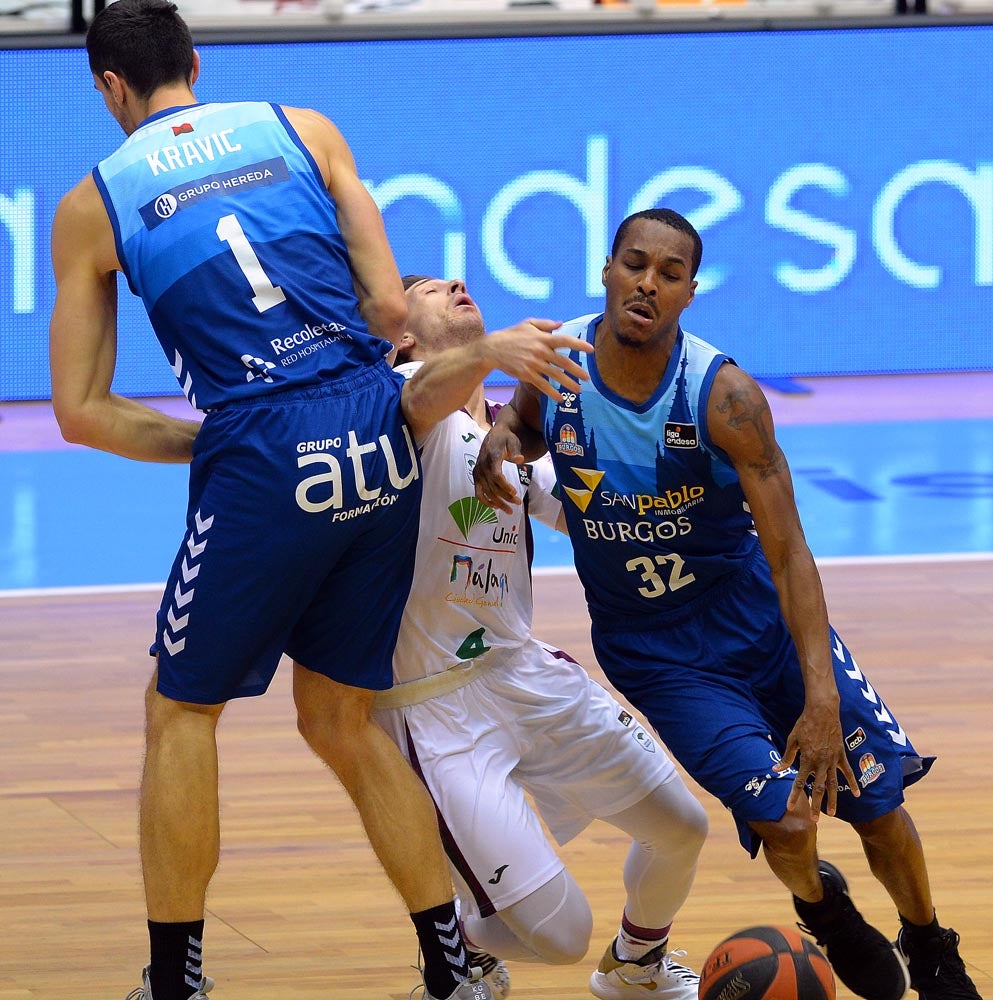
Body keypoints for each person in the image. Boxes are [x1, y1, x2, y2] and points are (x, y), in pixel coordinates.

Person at [47, 3, 512, 997]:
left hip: (265, 445)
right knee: (343, 716)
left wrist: (217, 445)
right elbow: (393, 313)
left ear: (109, 91)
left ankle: (176, 982)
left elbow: (82, 413)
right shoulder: (306, 128)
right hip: (377, 429)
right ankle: (452, 968)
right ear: (197, 63)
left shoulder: (94, 202)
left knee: (180, 713)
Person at [471, 208, 982, 1000]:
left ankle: (929, 942)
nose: (647, 282)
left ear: (688, 292)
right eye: (634, 264)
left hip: (759, 625)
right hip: (657, 652)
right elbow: (531, 425)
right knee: (785, 821)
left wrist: (818, 696)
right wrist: (505, 435)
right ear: (606, 271)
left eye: (667, 273)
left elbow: (788, 551)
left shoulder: (723, 396)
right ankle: (825, 910)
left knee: (875, 806)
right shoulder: (558, 361)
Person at [378, 275, 710, 1000]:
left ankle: (635, 967)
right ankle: (457, 940)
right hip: (435, 708)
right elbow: (429, 401)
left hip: (524, 674)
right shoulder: (396, 400)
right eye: (431, 291)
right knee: (558, 939)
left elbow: (586, 509)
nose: (456, 285)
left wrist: (686, 489)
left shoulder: (508, 426)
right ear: (401, 337)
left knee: (681, 828)